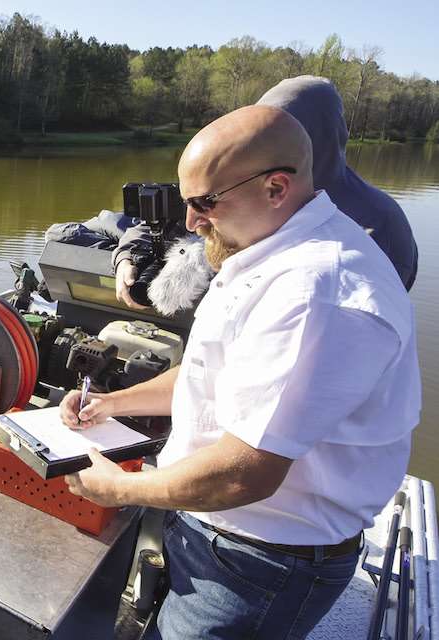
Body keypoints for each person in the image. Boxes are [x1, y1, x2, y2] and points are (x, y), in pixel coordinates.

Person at [59, 105, 420, 638]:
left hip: (261, 563)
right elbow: (210, 373)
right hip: (214, 530)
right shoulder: (266, 246)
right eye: (186, 201)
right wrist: (112, 404)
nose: (190, 222)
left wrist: (121, 489)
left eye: (205, 202)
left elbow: (243, 473)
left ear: (276, 188)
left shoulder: (318, 293)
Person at [113, 75, 418, 309]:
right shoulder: (239, 186)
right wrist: (127, 259)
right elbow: (163, 220)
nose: (194, 220)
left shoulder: (378, 226)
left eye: (272, 130)